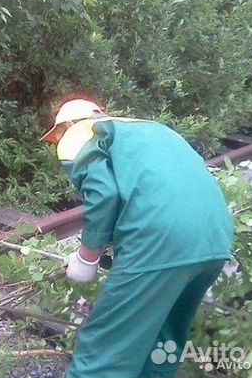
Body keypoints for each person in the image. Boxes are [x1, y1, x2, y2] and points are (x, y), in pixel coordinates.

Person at [40, 98, 233, 378]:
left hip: (161, 240)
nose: (57, 141)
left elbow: (104, 195)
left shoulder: (80, 132)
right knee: (161, 344)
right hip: (215, 239)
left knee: (104, 353)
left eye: (56, 135)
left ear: (66, 125)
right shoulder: (157, 131)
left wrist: (86, 258)